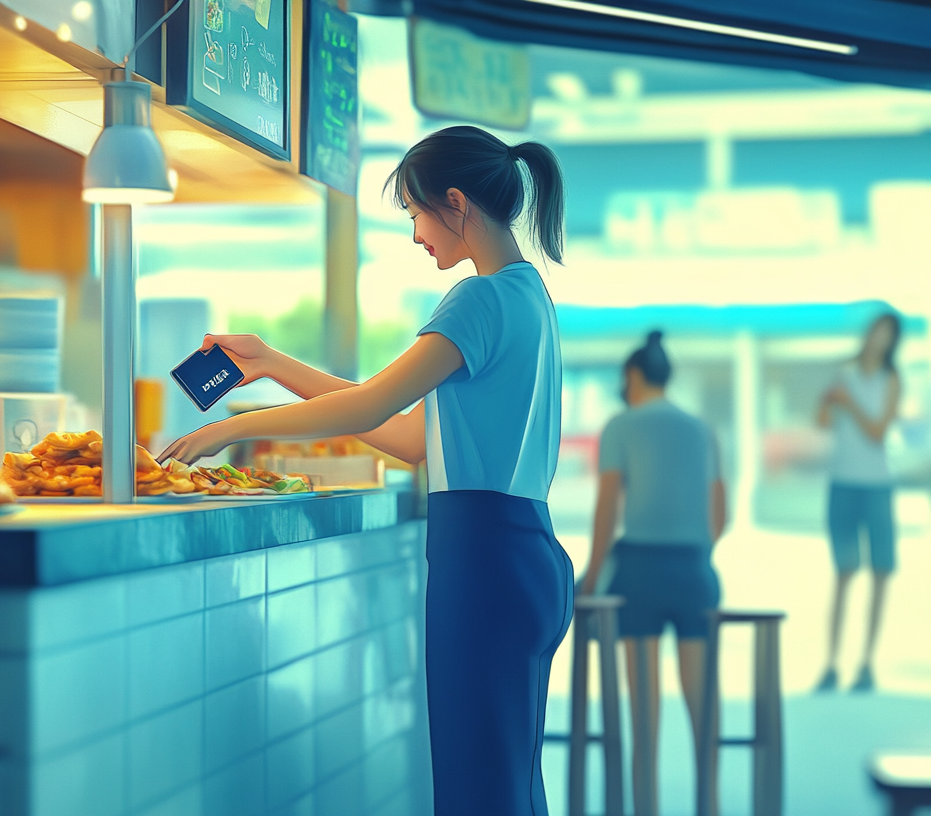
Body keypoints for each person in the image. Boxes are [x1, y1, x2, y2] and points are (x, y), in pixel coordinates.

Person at [161, 125, 572, 814]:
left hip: (483, 567)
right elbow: (412, 437)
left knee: (478, 794)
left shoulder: (479, 298)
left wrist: (232, 428)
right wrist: (270, 364)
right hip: (526, 560)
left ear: (456, 202)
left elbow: (369, 404)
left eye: (415, 213)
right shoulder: (530, 296)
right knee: (508, 788)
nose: (416, 234)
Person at [580, 330, 726, 815]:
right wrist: (693, 551)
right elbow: (718, 516)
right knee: (703, 711)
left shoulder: (621, 426)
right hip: (693, 573)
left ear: (632, 377)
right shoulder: (702, 430)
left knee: (645, 720)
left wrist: (592, 575)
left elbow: (607, 510)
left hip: (639, 573)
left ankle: (646, 807)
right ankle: (709, 803)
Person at [815, 313, 901, 693]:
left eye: (886, 333)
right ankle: (831, 663)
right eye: (875, 330)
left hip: (877, 484)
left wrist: (849, 404)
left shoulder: (891, 380)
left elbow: (877, 432)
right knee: (844, 572)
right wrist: (829, 401)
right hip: (842, 483)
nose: (877, 338)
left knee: (880, 573)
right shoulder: (843, 375)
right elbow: (821, 421)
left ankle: (867, 662)